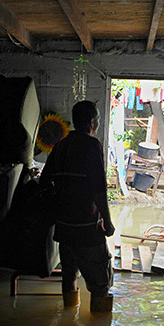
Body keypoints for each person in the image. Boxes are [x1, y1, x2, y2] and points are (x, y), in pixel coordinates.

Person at [41, 100, 115, 312]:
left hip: (64, 230)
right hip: (88, 230)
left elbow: (45, 181)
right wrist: (107, 222)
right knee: (100, 284)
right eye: (98, 120)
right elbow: (98, 190)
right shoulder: (92, 145)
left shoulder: (60, 146)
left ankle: (69, 324)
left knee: (69, 277)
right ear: (92, 122)